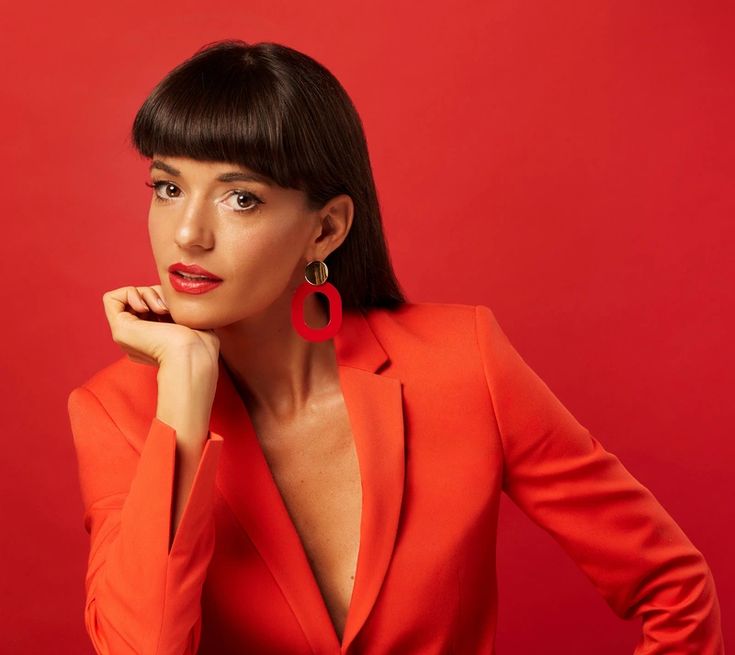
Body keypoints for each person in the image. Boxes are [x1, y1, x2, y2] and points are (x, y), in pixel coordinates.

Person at [66, 39, 724, 655]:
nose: (186, 234)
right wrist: (182, 390)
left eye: (240, 197)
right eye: (167, 187)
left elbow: (675, 587)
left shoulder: (463, 361)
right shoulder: (116, 411)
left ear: (325, 229)